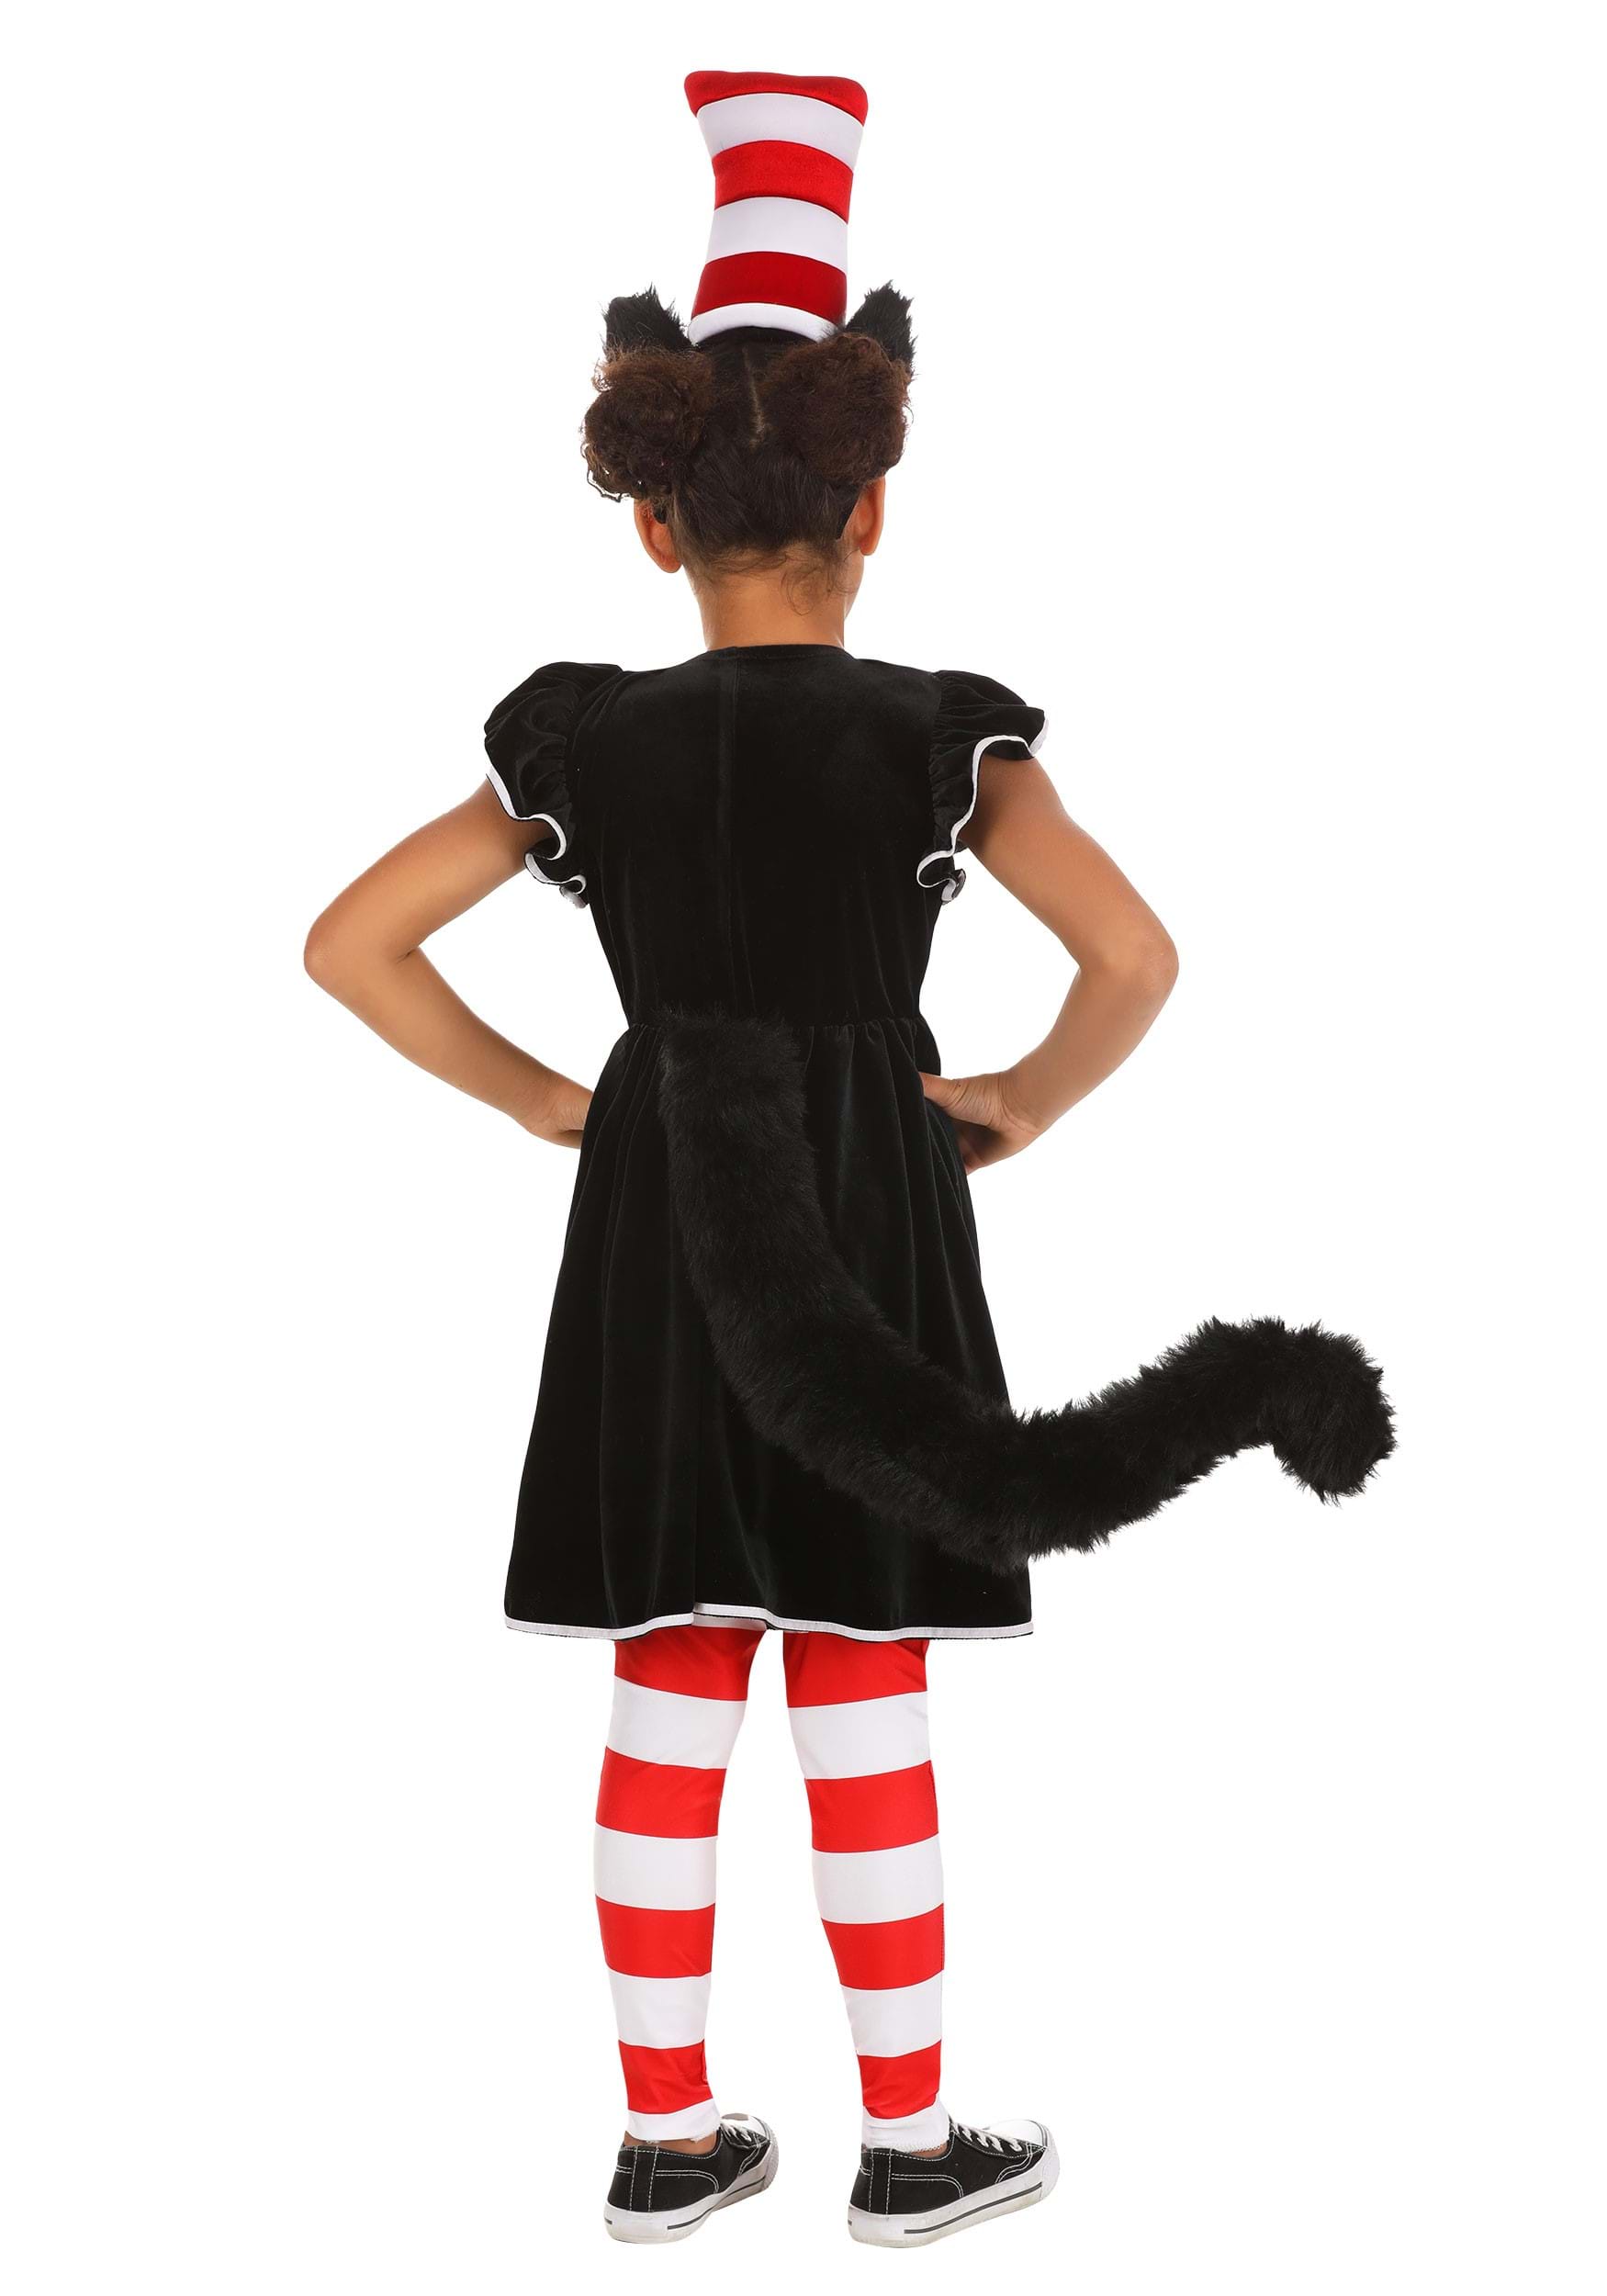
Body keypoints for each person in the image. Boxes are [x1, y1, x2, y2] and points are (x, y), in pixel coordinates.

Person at [306, 69, 1389, 2247]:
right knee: (854, 1659)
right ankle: (906, 2141)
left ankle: (665, 2134)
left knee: (672, 1662)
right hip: (864, 1203)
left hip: (658, 1218)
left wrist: (552, 1097)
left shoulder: (583, 734)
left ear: (651, 525)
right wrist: (1022, 1094)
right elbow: (1134, 954)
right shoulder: (929, 730)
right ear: (871, 507)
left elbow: (351, 943)